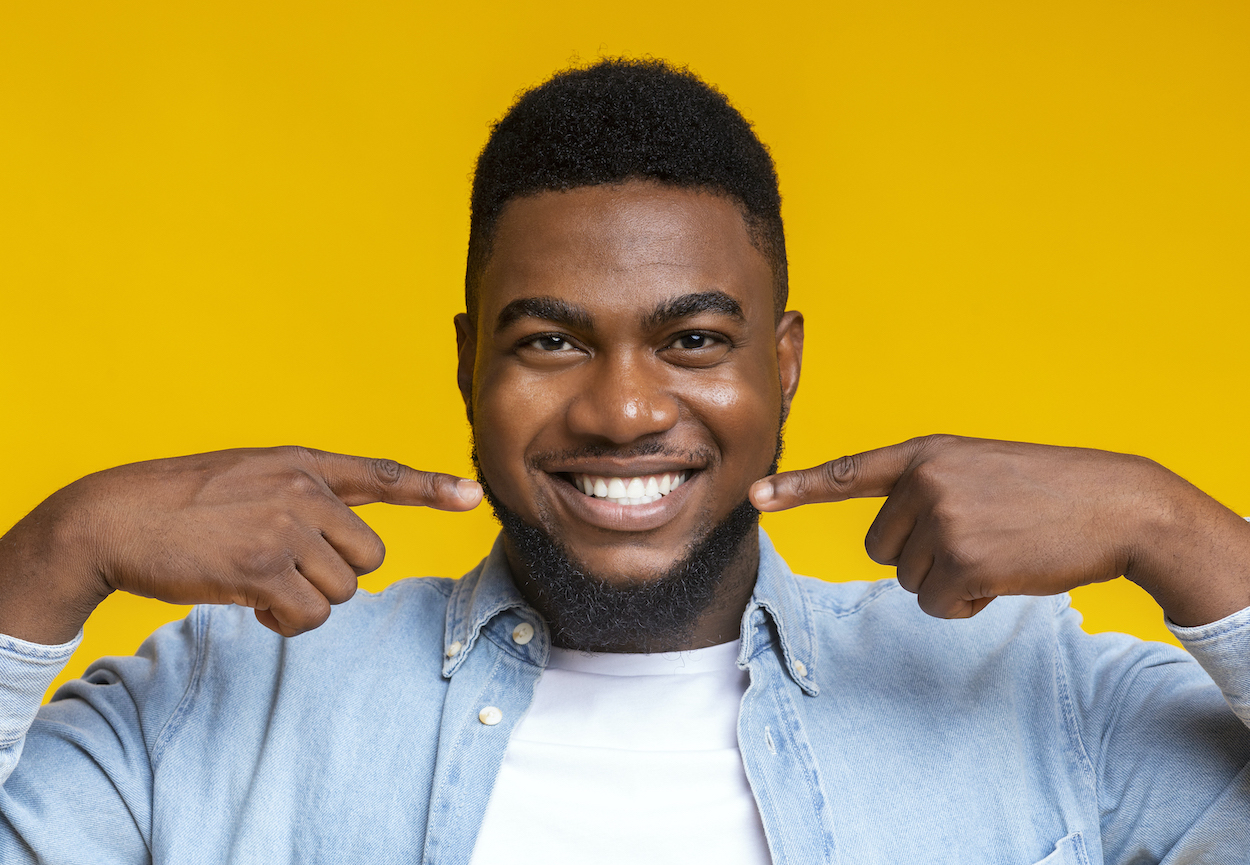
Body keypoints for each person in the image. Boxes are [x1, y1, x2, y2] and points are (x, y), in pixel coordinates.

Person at [1, 58, 1248, 864]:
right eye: (549, 340)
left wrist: (1172, 528)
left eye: (692, 339)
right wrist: (57, 549)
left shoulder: (1034, 699)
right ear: (465, 365)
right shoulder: (214, 706)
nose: (621, 408)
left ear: (785, 363)